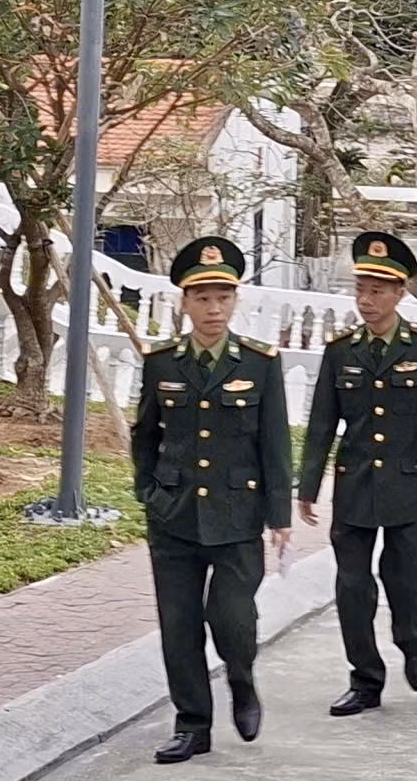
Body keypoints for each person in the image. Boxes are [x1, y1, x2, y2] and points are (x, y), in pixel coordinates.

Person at [132, 236, 293, 765]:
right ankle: (192, 724)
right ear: (184, 302)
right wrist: (148, 493)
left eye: (223, 297)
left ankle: (242, 679)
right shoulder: (161, 362)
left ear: (235, 301)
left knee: (231, 617)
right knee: (179, 626)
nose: (213, 309)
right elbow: (145, 434)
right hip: (173, 516)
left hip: (236, 515)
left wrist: (279, 516)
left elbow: (274, 444)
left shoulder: (260, 363)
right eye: (202, 298)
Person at [298, 231, 417, 716]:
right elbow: (322, 423)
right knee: (352, 588)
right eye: (361, 290)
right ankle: (365, 679)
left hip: (409, 486)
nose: (366, 300)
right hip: (355, 486)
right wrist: (307, 486)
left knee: (405, 583)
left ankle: (411, 640)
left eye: (377, 291)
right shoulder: (340, 350)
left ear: (399, 293)